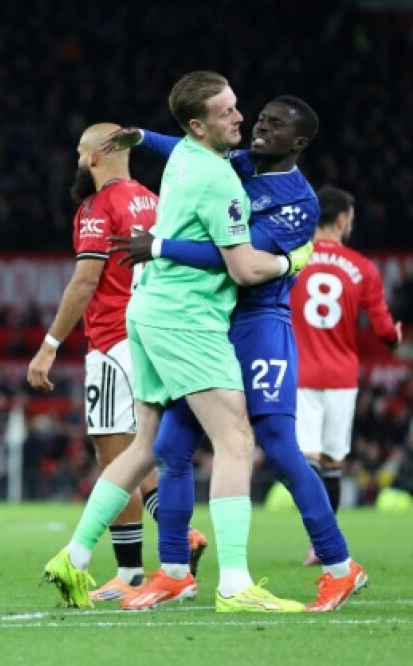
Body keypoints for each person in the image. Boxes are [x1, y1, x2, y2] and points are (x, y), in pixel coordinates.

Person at [41, 70, 308, 613]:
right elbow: (242, 269)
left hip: (146, 312)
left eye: (237, 106)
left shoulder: (185, 155)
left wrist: (140, 136)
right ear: (198, 124)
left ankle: (74, 554)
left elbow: (167, 143)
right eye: (227, 111)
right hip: (187, 319)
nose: (240, 116)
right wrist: (294, 260)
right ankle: (235, 584)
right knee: (236, 440)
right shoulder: (220, 182)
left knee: (146, 446)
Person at [108, 97, 368, 612]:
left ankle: (341, 567)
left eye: (274, 125)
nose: (259, 127)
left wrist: (161, 246)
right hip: (213, 322)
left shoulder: (300, 203)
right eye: (261, 118)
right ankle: (176, 571)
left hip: (261, 325)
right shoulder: (241, 163)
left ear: (297, 143)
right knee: (171, 446)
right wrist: (141, 138)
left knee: (278, 445)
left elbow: (238, 260)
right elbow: (188, 148)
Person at [26, 122, 206, 603]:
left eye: (79, 150)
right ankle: (166, 548)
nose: (77, 159)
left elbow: (86, 281)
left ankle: (138, 565)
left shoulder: (98, 206)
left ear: (94, 156)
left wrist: (49, 342)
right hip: (156, 337)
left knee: (113, 457)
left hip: (113, 340)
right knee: (142, 451)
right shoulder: (153, 198)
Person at [292, 186, 402, 563]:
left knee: (305, 460)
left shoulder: (291, 260)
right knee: (333, 463)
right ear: (341, 220)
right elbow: (386, 333)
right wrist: (396, 336)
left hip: (300, 372)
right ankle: (323, 545)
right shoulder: (363, 268)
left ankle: (317, 538)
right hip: (341, 376)